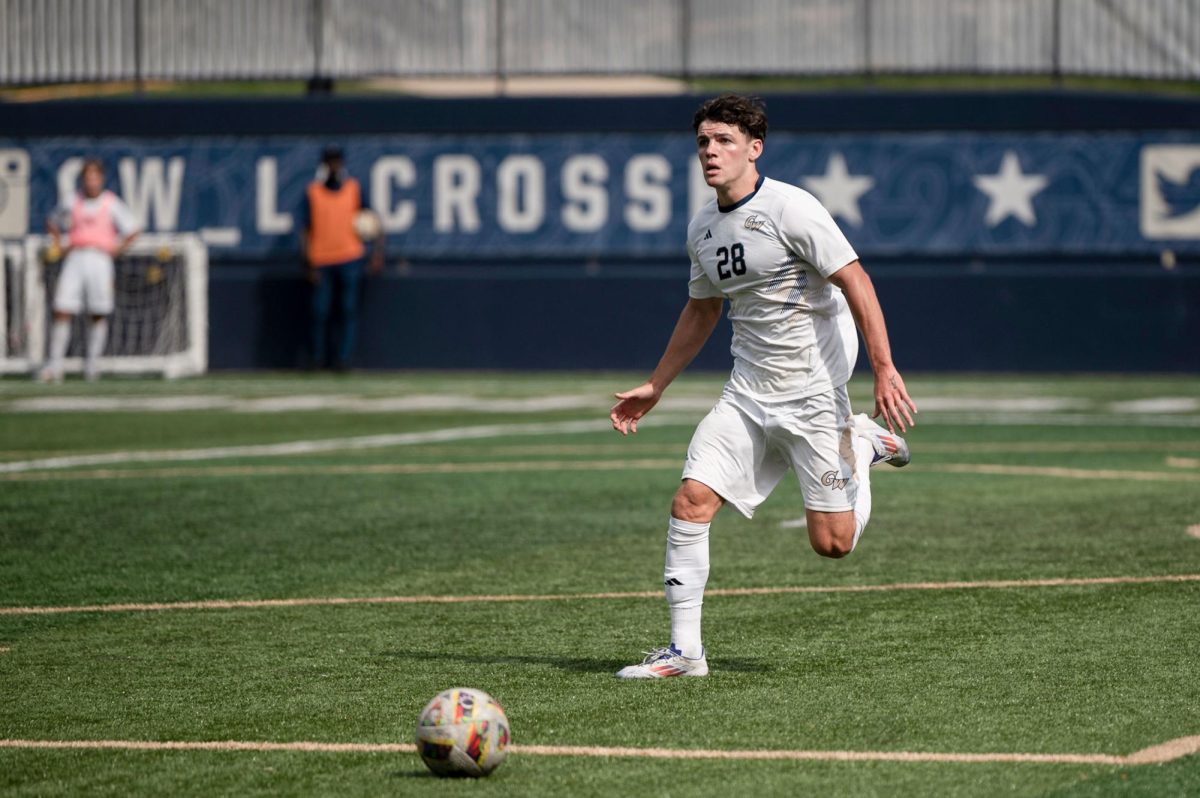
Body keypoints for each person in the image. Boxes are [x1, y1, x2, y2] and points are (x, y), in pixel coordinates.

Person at [609, 95, 918, 679]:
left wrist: (884, 368)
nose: (709, 151)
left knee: (833, 545)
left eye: (723, 140)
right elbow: (701, 312)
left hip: (814, 393)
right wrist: (657, 385)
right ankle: (685, 653)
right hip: (747, 394)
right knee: (690, 500)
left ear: (755, 149)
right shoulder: (702, 227)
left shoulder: (791, 208)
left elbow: (856, 281)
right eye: (703, 141)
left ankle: (865, 443)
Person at [39, 158, 140, 383]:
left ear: (101, 179)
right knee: (62, 308)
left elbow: (133, 229)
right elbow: (52, 221)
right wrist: (60, 244)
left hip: (100, 259)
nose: (91, 181)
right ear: (83, 179)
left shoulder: (111, 203)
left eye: (95, 176)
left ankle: (92, 366)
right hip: (76, 257)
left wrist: (117, 248)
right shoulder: (72, 200)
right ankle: (54, 366)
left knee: (98, 311)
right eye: (87, 177)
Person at [300, 145, 384, 371]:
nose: (334, 166)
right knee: (320, 311)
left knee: (348, 310)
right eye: (330, 161)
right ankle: (317, 358)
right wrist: (308, 262)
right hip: (321, 259)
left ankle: (343, 360)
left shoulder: (354, 189)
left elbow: (373, 221)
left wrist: (377, 252)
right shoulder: (313, 192)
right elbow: (305, 230)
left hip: (350, 257)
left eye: (337, 161)